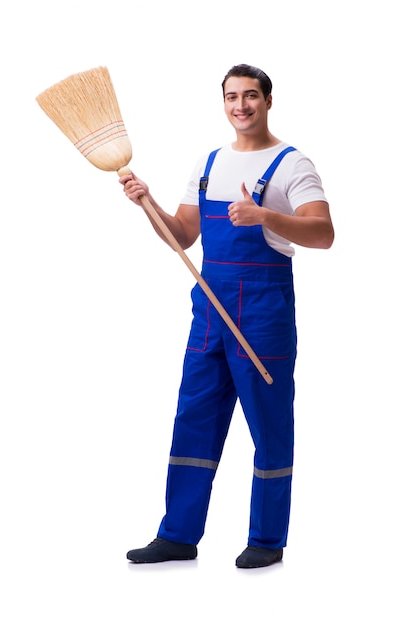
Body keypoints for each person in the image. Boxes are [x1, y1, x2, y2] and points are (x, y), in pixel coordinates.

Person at [119, 63, 334, 568]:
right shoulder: (209, 163)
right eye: (232, 96)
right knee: (194, 417)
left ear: (268, 100)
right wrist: (146, 203)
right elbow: (183, 235)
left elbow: (323, 233)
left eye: (251, 96)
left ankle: (265, 540)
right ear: (223, 102)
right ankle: (177, 535)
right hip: (209, 312)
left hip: (263, 311)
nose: (241, 106)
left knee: (268, 422)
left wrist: (266, 216)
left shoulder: (292, 164)